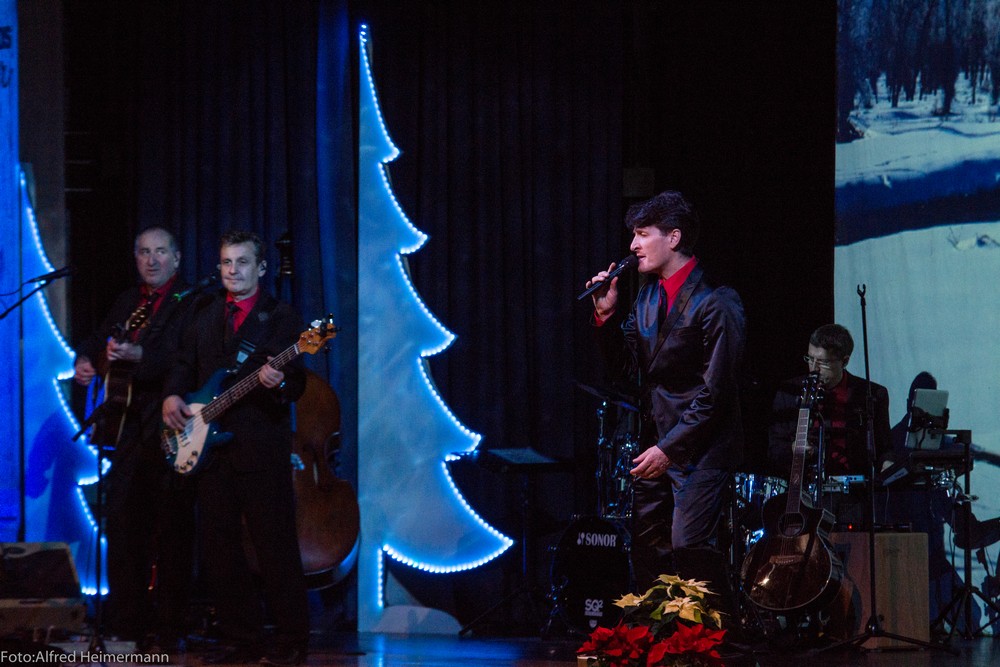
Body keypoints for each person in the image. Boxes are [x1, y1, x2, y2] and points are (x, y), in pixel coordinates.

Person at [587, 190, 746, 631]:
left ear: (673, 238)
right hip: (657, 440)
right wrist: (605, 317)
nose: (633, 245)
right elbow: (626, 370)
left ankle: (725, 639)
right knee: (647, 547)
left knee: (688, 544)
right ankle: (662, 641)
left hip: (701, 448)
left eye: (643, 234)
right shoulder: (647, 299)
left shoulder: (716, 302)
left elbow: (716, 392)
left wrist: (669, 449)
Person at [162, 230, 309, 666]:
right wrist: (172, 395)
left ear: (261, 268)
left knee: (275, 547)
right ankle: (242, 638)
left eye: (242, 262)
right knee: (220, 549)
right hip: (210, 452)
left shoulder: (281, 317)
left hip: (260, 449)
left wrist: (278, 382)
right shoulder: (203, 312)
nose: (233, 270)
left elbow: (297, 382)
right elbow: (183, 364)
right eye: (227, 262)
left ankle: (291, 639)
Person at [73, 226, 196, 650]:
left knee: (172, 528)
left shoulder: (189, 302)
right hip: (126, 428)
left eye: (160, 251)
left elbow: (186, 358)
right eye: (144, 252)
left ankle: (170, 625)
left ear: (176, 258)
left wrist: (142, 356)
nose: (152, 260)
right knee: (125, 524)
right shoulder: (129, 301)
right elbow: (98, 338)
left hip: (169, 425)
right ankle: (127, 621)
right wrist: (87, 360)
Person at [767, 323, 891, 528]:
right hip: (803, 495)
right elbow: (773, 449)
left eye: (823, 362)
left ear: (845, 361)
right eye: (810, 359)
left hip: (853, 496)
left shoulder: (871, 395)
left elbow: (884, 447)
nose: (813, 368)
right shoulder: (790, 392)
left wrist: (888, 465)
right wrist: (794, 449)